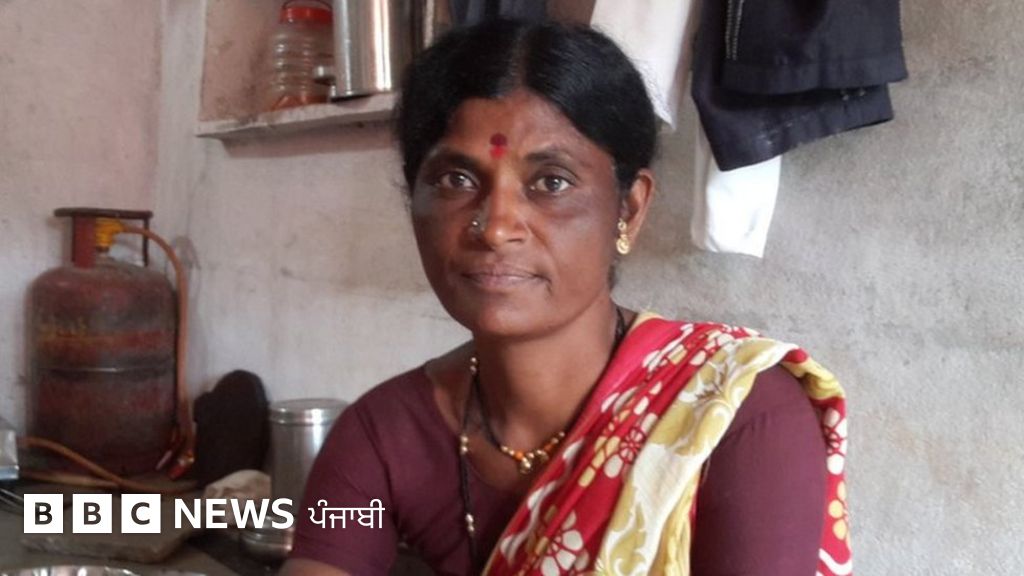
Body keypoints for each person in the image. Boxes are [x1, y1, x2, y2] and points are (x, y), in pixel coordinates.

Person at [282, 19, 851, 576]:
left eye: (551, 182)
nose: (495, 227)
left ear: (630, 209)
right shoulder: (383, 435)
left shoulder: (733, 414)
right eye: (456, 180)